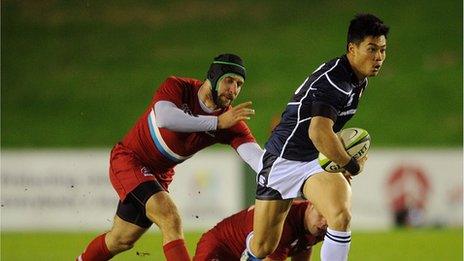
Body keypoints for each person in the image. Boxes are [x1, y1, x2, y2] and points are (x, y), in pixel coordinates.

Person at [76, 53, 263, 261]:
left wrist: (290, 174)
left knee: (120, 240)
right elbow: (165, 118)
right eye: (229, 81)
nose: (234, 90)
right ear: (213, 77)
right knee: (170, 217)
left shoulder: (230, 122)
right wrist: (216, 123)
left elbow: (258, 160)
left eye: (239, 84)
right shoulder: (178, 87)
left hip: (159, 175)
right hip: (130, 159)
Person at [242, 14, 389, 261]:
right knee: (263, 245)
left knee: (340, 216)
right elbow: (318, 132)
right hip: (282, 160)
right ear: (352, 49)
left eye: (383, 50)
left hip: (312, 161)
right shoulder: (335, 81)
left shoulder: (358, 80)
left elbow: (322, 135)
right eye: (371, 49)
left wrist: (336, 160)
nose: (378, 58)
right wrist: (350, 164)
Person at [194, 200, 327, 261]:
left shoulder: (320, 226)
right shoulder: (283, 221)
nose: (324, 223)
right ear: (310, 204)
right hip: (220, 247)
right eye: (321, 215)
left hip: (248, 254)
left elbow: (304, 247)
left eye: (329, 220)